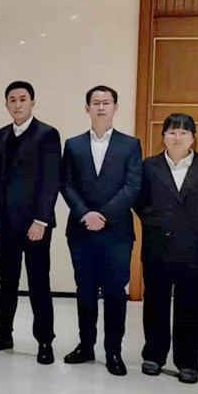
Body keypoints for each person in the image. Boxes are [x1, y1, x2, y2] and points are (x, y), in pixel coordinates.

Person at [135, 114, 198, 384]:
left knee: (192, 305)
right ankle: (154, 355)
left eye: (184, 133)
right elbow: (139, 202)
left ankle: (188, 362)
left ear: (193, 138)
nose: (178, 137)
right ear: (163, 136)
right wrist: (159, 225)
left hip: (194, 249)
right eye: (172, 132)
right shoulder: (149, 166)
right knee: (156, 302)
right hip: (158, 246)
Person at [60, 85, 142, 376]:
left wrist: (103, 215)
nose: (101, 107)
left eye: (106, 102)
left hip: (117, 233)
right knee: (84, 291)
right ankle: (86, 346)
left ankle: (113, 352)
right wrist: (85, 214)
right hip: (81, 230)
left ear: (115, 107)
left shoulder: (130, 145)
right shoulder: (73, 145)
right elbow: (66, 184)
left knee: (115, 293)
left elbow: (132, 187)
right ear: (87, 108)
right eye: (95, 103)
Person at [0, 80, 62, 365]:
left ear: (32, 102)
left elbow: (51, 180)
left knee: (38, 283)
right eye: (12, 100)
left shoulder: (47, 134)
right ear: (6, 104)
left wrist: (42, 219)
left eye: (22, 99)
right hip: (5, 223)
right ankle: (4, 334)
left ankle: (45, 340)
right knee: (7, 282)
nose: (17, 104)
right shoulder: (1, 135)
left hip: (35, 225)